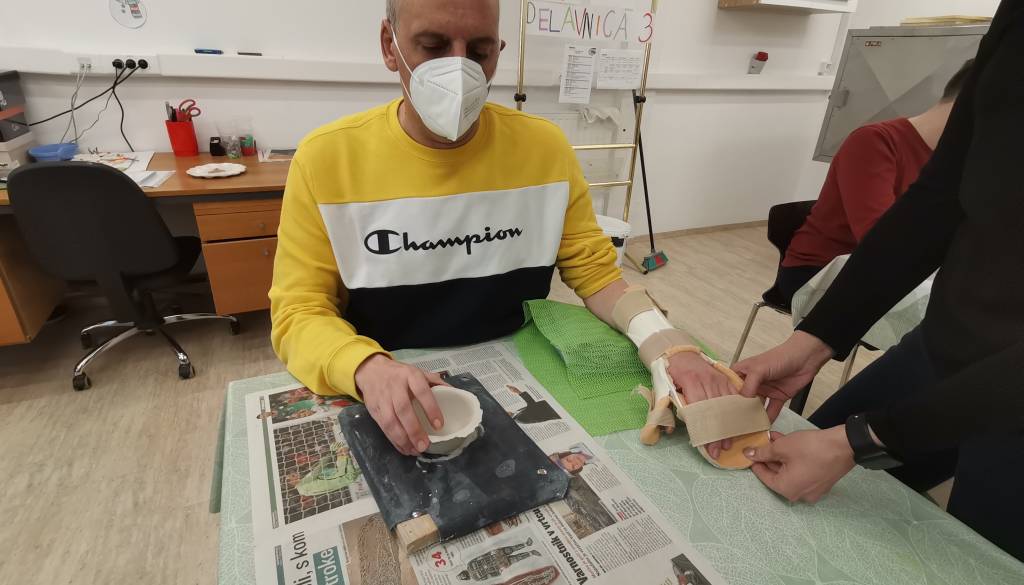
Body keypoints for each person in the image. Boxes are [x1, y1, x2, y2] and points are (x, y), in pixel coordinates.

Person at [270, 0, 738, 458]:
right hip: (392, 371)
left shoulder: (543, 148)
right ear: (389, 46)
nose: (458, 70)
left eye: (479, 52)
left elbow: (596, 274)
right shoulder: (327, 159)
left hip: (520, 367)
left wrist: (667, 344)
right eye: (432, 46)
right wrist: (366, 366)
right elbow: (298, 312)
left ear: (499, 51)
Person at [733, 0, 1024, 561]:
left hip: (1010, 398)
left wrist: (865, 440)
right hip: (943, 346)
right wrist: (814, 339)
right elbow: (939, 197)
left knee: (978, 556)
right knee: (789, 484)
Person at [775, 59, 974, 305]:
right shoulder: (875, 142)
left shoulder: (960, 159)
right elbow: (880, 239)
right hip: (820, 271)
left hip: (894, 270)